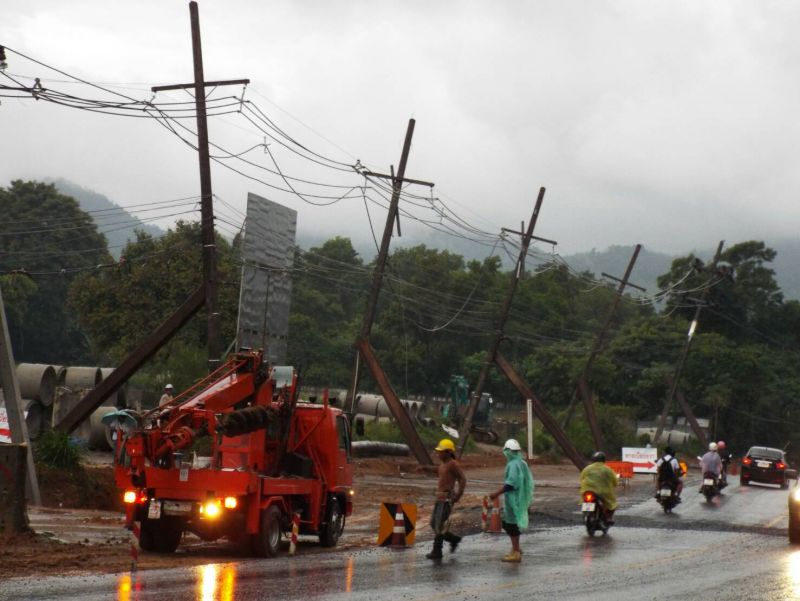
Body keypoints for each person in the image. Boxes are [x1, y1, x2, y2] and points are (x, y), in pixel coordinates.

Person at [420, 438, 466, 560]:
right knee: (433, 524)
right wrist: (425, 468)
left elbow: (462, 478)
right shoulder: (443, 464)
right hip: (439, 498)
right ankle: (454, 539)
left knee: (439, 525)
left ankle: (437, 551)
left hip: (446, 499)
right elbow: (437, 470)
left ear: (448, 452)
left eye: (440, 451)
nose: (438, 454)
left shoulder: (452, 464)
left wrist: (459, 494)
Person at [488, 439, 534, 563]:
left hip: (514, 499)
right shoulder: (521, 463)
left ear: (509, 451)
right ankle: (516, 548)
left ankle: (516, 552)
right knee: (509, 524)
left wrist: (496, 493)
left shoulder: (513, 464)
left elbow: (510, 484)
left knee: (511, 525)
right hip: (519, 498)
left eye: (507, 451)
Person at [579, 451, 619, 523]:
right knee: (612, 503)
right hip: (603, 492)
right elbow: (615, 481)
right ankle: (608, 518)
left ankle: (586, 513)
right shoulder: (608, 469)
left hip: (587, 490)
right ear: (604, 460)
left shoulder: (587, 468)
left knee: (585, 501)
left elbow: (581, 478)